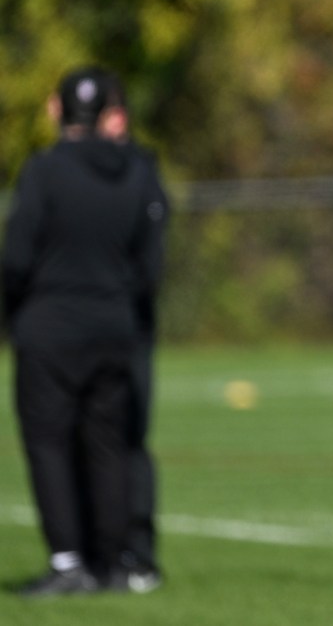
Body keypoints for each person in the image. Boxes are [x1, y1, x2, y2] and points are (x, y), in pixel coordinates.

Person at [2, 67, 168, 597]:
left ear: (58, 109)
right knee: (109, 447)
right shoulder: (135, 171)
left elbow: (16, 257)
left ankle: (68, 561)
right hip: (115, 327)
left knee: (48, 443)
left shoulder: (45, 170)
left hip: (50, 328)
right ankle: (113, 561)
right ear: (105, 113)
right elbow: (150, 260)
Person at [95, 72, 168, 591]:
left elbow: (151, 254)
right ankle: (92, 554)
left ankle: (138, 554)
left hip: (128, 326)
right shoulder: (73, 171)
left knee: (130, 439)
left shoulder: (140, 169)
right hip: (88, 329)